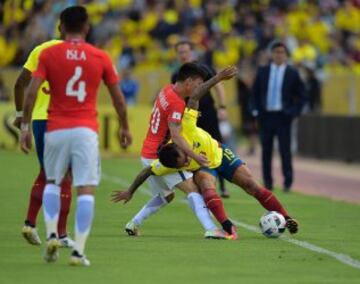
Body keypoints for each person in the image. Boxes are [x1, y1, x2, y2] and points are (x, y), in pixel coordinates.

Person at [112, 66, 299, 237]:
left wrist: (217, 78)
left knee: (251, 185)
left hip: (216, 152)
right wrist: (194, 159)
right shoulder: (173, 130)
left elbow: (194, 98)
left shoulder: (181, 116)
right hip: (189, 161)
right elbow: (162, 154)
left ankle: (286, 217)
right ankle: (221, 228)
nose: (185, 165)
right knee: (201, 189)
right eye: (197, 82)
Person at [19, 6, 132, 266]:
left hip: (55, 127)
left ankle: (50, 236)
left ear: (60, 27)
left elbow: (31, 92)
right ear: (87, 28)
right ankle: (78, 251)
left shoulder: (48, 53)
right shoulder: (100, 56)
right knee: (86, 189)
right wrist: (124, 126)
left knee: (51, 181)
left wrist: (25, 126)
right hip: (84, 129)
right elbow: (118, 99)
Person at [123, 62, 228, 240]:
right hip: (162, 155)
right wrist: (195, 156)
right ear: (189, 81)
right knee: (193, 190)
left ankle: (134, 223)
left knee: (166, 195)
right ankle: (211, 228)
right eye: (198, 83)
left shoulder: (166, 90)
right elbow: (177, 136)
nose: (198, 88)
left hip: (147, 152)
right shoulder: (176, 103)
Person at [13, 37, 74, 247]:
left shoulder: (40, 50)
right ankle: (61, 234)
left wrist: (22, 117)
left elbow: (20, 83)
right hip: (62, 118)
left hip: (39, 119)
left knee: (46, 172)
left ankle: (30, 223)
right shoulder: (79, 53)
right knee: (66, 175)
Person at [171, 40, 230, 198]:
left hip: (208, 112)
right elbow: (176, 97)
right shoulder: (177, 75)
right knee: (189, 148)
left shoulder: (204, 68)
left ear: (191, 52)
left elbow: (218, 86)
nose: (183, 55)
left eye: (185, 51)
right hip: (190, 117)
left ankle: (223, 186)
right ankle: (193, 185)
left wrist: (222, 106)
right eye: (180, 52)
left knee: (217, 145)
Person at [251, 41, 305, 192]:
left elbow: (301, 96)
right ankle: (267, 182)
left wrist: (293, 112)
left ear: (286, 55)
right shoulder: (263, 71)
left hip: (283, 117)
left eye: (282, 52)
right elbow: (254, 93)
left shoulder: (292, 73)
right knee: (266, 150)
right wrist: (255, 110)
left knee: (285, 150)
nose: (279, 55)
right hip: (266, 116)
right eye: (276, 52)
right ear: (271, 54)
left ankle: (287, 182)